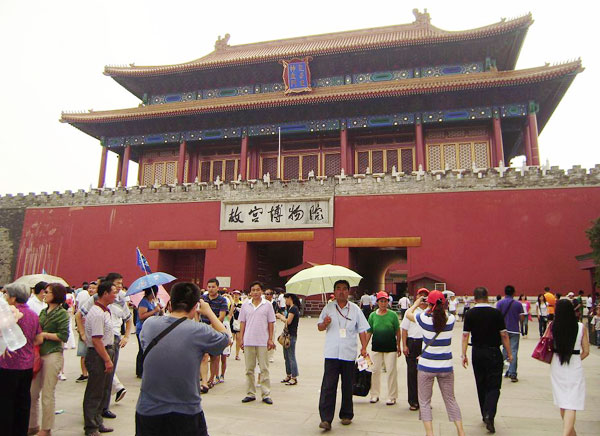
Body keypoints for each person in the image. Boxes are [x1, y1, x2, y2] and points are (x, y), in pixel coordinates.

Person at [135, 282, 230, 436]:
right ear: (195, 307)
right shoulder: (200, 331)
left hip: (148, 410)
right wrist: (210, 313)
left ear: (170, 304)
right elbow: (226, 339)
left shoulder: (149, 325)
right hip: (186, 411)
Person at [406, 291, 465, 436]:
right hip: (446, 366)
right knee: (451, 400)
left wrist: (417, 303)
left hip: (426, 367)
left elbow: (408, 314)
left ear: (430, 304)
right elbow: (441, 313)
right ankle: (461, 431)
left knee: (425, 402)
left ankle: (429, 433)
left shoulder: (424, 320)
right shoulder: (450, 319)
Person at [317, 280, 369, 431]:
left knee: (347, 385)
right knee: (328, 386)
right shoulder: (328, 308)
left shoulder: (355, 310)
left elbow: (362, 330)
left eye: (344, 289)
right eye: (338, 289)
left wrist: (364, 347)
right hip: (331, 353)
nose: (341, 291)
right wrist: (325, 323)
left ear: (348, 292)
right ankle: (326, 419)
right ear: (334, 291)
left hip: (348, 353)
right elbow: (319, 327)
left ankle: (346, 414)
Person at [461, 287, 513, 434]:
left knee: (481, 383)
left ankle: (485, 413)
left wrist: (463, 354)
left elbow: (465, 336)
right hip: (493, 352)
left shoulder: (470, 313)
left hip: (477, 352)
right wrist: (509, 353)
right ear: (487, 296)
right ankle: (490, 413)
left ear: (474, 298)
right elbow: (504, 335)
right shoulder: (496, 313)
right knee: (494, 385)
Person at [0, 282, 43, 436]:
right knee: (23, 401)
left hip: (8, 365)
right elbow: (39, 339)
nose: (5, 297)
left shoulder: (7, 315)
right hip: (27, 364)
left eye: (6, 295)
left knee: (6, 402)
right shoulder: (33, 314)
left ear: (13, 298)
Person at [28, 283, 70, 436]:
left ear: (56, 294)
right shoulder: (43, 312)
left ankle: (46, 428)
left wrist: (45, 335)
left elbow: (63, 336)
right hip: (40, 354)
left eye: (48, 292)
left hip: (53, 353)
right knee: (32, 392)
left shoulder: (62, 314)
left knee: (47, 392)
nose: (44, 294)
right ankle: (32, 424)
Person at [550, 299, 589, 436]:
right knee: (572, 403)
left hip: (557, 365)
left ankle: (569, 433)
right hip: (574, 367)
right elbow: (586, 351)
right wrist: (577, 359)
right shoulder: (580, 327)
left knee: (563, 402)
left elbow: (545, 345)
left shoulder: (552, 326)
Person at [82, 280, 117, 436]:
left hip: (106, 351)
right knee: (95, 391)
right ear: (105, 294)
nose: (116, 295)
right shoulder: (96, 313)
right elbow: (96, 340)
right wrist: (107, 359)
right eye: (114, 292)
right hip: (98, 354)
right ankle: (91, 426)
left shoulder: (105, 311)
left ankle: (98, 421)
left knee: (103, 389)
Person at [239, 281, 276, 405]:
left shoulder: (268, 305)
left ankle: (266, 394)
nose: (255, 292)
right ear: (250, 292)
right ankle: (250, 393)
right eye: (253, 290)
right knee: (249, 369)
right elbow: (242, 323)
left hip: (263, 341)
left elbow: (271, 323)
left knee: (264, 369)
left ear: (262, 291)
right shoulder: (245, 305)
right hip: (249, 340)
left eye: (257, 290)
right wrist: (241, 338)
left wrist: (270, 338)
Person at [366, 291, 400, 406]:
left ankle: (392, 396)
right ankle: (374, 394)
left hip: (390, 348)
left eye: (385, 301)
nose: (383, 303)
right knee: (375, 371)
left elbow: (398, 331)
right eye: (381, 301)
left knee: (391, 371)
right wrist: (364, 347)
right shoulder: (372, 316)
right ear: (377, 302)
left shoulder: (393, 315)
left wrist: (399, 345)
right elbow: (369, 332)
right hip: (376, 347)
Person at [401, 288, 429, 411]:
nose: (423, 298)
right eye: (420, 296)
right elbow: (404, 330)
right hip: (412, 343)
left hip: (426, 344)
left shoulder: (431, 312)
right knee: (412, 373)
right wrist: (404, 345)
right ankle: (413, 401)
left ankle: (425, 401)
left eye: (425, 296)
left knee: (426, 375)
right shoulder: (410, 311)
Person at [200, 278, 228, 390]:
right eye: (209, 287)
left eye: (213, 287)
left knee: (215, 356)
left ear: (218, 287)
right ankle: (204, 380)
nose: (211, 289)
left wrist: (212, 326)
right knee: (204, 356)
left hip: (215, 330)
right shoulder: (203, 299)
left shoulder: (222, 300)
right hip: (202, 329)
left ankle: (212, 378)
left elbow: (221, 316)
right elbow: (197, 311)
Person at [496, 285, 524, 382]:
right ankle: (512, 373)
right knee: (514, 351)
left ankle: (499, 369)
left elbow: (497, 316)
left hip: (503, 330)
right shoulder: (518, 304)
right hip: (514, 330)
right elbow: (521, 318)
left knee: (504, 350)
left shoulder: (500, 303)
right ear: (514, 293)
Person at [136, 286, 162, 378]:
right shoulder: (144, 302)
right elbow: (141, 316)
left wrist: (159, 310)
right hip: (142, 329)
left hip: (150, 328)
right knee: (142, 350)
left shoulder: (152, 302)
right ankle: (140, 371)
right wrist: (154, 311)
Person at [276, 293, 300, 385]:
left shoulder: (293, 308)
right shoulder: (291, 308)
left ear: (290, 298)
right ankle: (288, 374)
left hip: (291, 335)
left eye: (286, 299)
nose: (285, 301)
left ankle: (294, 377)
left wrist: (280, 317)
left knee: (291, 356)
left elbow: (288, 321)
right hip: (287, 335)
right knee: (286, 356)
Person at [75, 281, 97, 383]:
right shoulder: (86, 301)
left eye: (93, 288)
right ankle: (84, 374)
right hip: (84, 330)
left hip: (94, 331)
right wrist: (80, 330)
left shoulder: (98, 302)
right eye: (90, 288)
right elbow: (78, 315)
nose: (91, 290)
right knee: (84, 353)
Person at [264, 288, 278, 363]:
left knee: (272, 338)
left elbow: (274, 312)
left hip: (272, 323)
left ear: (272, 295)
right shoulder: (263, 303)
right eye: (265, 294)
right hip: (264, 323)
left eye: (268, 294)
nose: (266, 296)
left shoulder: (274, 303)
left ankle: (271, 356)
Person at [229, 290, 243, 360]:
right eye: (235, 294)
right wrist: (232, 306)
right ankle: (229, 351)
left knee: (238, 339)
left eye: (237, 294)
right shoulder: (230, 303)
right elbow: (230, 313)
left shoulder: (242, 304)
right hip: (232, 322)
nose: (236, 295)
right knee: (231, 338)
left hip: (239, 322)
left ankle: (237, 354)